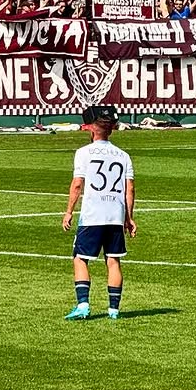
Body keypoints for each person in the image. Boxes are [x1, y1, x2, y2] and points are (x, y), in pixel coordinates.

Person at [61, 106, 136, 321]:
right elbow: (129, 188)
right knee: (113, 260)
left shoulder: (84, 153)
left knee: (80, 258)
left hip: (93, 214)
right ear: (111, 130)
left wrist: (68, 211)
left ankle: (83, 305)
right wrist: (129, 217)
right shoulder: (123, 155)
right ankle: (114, 310)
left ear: (92, 130)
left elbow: (77, 184)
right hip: (114, 214)